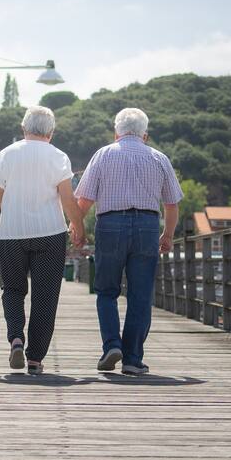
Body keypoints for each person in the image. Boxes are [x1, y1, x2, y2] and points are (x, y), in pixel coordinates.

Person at [74, 108, 183, 375]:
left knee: (107, 291)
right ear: (145, 135)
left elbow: (84, 200)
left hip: (110, 225)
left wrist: (76, 228)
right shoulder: (159, 158)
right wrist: (167, 234)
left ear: (116, 133)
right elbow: (171, 204)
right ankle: (133, 359)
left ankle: (112, 344)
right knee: (140, 295)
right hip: (147, 226)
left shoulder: (103, 154)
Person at [0, 105, 85, 375]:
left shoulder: (7, 154)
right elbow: (67, 197)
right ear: (51, 132)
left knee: (13, 290)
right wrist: (78, 225)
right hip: (50, 233)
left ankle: (16, 338)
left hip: (12, 233)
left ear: (23, 129)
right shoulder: (59, 156)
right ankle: (35, 359)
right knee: (45, 296)